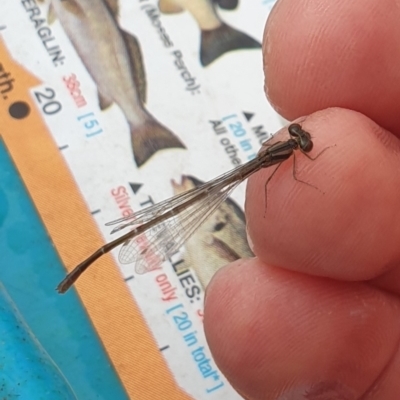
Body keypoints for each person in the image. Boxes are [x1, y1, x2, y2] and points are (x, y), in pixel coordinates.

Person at [204, 0, 400, 398]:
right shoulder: (287, 156)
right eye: (299, 137)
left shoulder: (286, 152)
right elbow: (298, 168)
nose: (301, 140)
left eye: (299, 138)